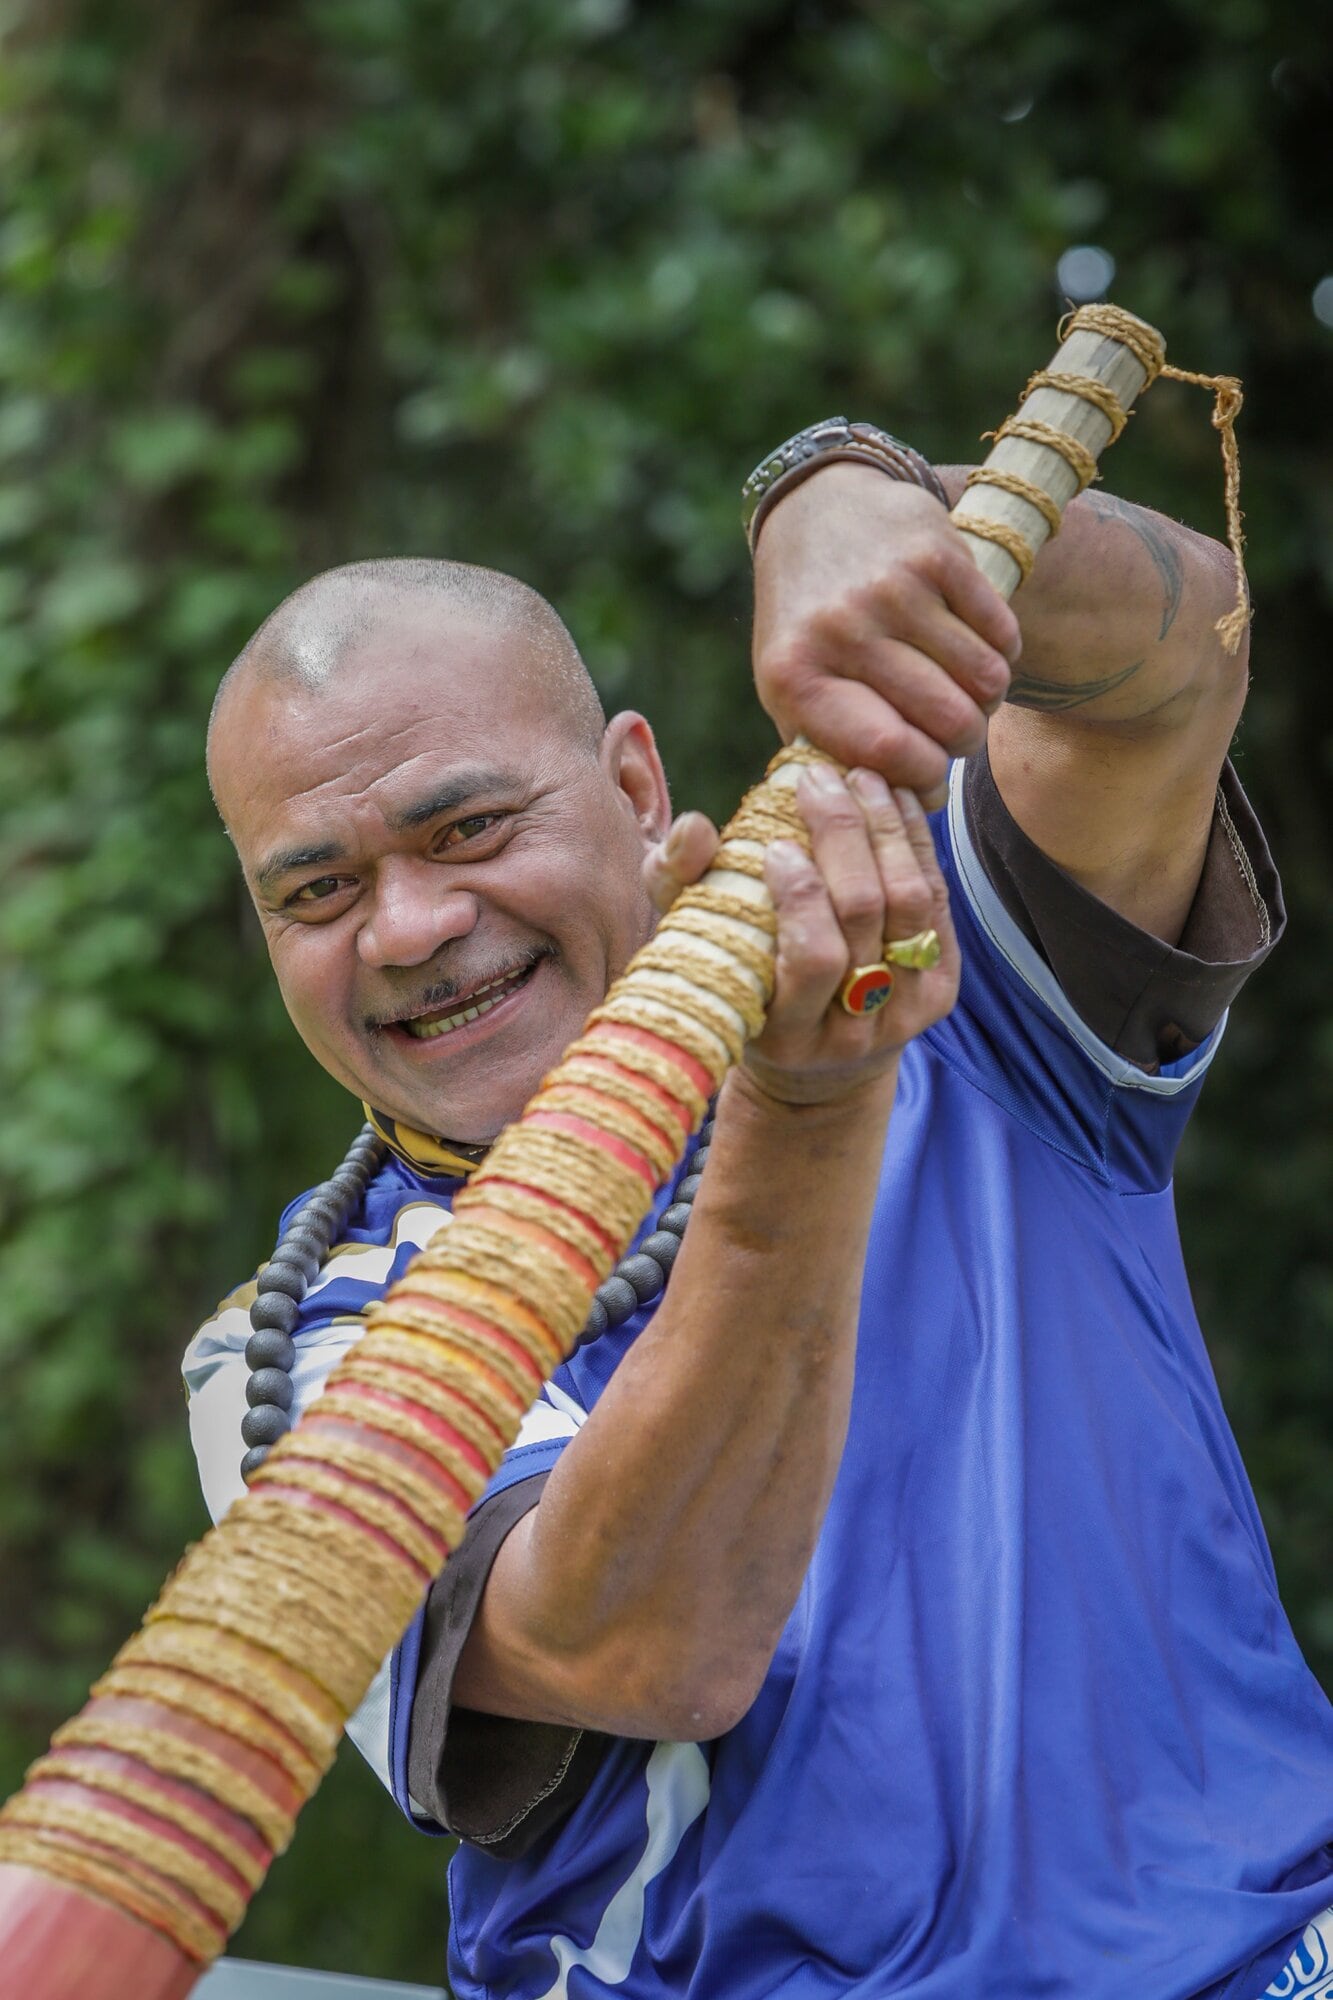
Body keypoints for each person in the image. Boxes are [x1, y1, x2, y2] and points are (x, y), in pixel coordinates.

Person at [185, 433, 1333, 2000]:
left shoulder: (964, 973)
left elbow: (1179, 659)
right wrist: (802, 1117)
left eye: (467, 830)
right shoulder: (284, 1359)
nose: (409, 929)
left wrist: (858, 494)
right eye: (316, 893)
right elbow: (649, 1644)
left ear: (636, 786)